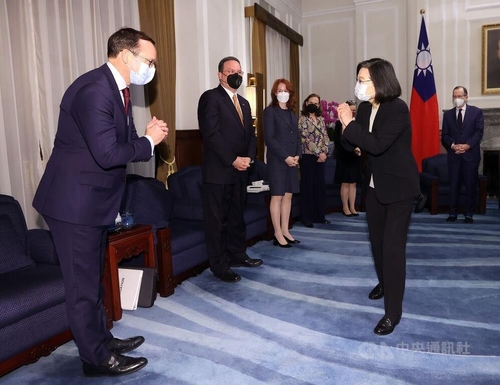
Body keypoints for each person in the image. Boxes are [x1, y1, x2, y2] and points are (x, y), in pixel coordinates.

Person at [32, 28, 169, 376]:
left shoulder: (118, 90)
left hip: (90, 202)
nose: (150, 68)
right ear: (125, 55)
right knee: (80, 286)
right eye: (148, 61)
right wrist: (150, 143)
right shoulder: (95, 89)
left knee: (91, 280)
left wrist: (145, 137)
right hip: (73, 204)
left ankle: (101, 339)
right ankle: (95, 360)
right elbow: (109, 154)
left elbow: (124, 141)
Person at [337, 58, 420, 336]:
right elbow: (350, 145)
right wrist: (345, 126)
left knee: (393, 250)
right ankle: (385, 281)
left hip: (398, 189)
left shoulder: (397, 108)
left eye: (363, 80)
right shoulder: (362, 108)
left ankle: (392, 313)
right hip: (373, 185)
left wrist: (353, 128)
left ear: (381, 81)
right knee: (376, 244)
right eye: (358, 79)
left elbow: (378, 144)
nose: (358, 85)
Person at [197, 56, 263, 283]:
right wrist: (233, 159)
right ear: (220, 75)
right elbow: (211, 134)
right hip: (219, 172)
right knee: (217, 221)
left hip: (240, 171)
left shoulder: (244, 103)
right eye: (231, 71)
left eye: (240, 71)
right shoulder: (210, 98)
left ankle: (237, 255)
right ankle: (219, 265)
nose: (237, 75)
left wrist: (249, 158)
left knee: (236, 217)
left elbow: (251, 135)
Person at [263, 78, 301, 246]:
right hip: (278, 161)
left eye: (285, 91)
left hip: (292, 161)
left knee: (288, 196)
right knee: (277, 196)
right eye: (279, 91)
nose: (283, 93)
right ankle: (277, 232)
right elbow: (269, 139)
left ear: (290, 94)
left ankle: (286, 230)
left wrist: (297, 156)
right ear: (275, 93)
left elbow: (298, 138)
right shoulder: (270, 111)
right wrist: (286, 157)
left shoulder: (292, 114)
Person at [441, 86, 484, 224]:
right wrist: (453, 146)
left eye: (459, 96)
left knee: (471, 184)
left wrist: (467, 145)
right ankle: (452, 213)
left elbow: (478, 132)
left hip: (470, 155)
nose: (456, 99)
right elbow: (445, 136)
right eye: (454, 96)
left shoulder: (476, 112)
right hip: (454, 156)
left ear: (466, 97)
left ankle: (469, 214)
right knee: (454, 185)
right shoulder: (447, 115)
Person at [298, 93, 330, 227]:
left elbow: (326, 137)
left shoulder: (321, 119)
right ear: (306, 103)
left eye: (316, 103)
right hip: (308, 157)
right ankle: (307, 218)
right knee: (308, 188)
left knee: (319, 187)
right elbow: (305, 139)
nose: (314, 105)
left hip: (321, 158)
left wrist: (324, 152)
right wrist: (318, 153)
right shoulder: (302, 120)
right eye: (311, 102)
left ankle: (319, 216)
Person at [333, 100, 362, 217]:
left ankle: (352, 207)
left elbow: (361, 138)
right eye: (351, 110)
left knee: (353, 183)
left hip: (356, 157)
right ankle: (345, 207)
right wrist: (352, 149)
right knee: (345, 183)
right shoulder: (339, 124)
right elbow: (338, 141)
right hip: (344, 156)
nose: (353, 112)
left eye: (355, 110)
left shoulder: (358, 123)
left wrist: (359, 148)